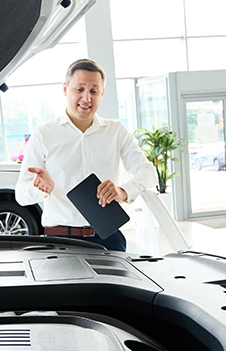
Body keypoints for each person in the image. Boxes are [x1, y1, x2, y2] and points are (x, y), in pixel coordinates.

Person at [14, 58, 158, 251]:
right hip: (59, 240)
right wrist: (39, 188)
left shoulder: (115, 131)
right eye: (79, 89)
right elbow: (21, 195)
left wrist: (123, 191)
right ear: (65, 90)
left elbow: (148, 172)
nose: (86, 98)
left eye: (94, 91)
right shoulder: (44, 135)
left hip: (108, 239)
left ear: (102, 93)